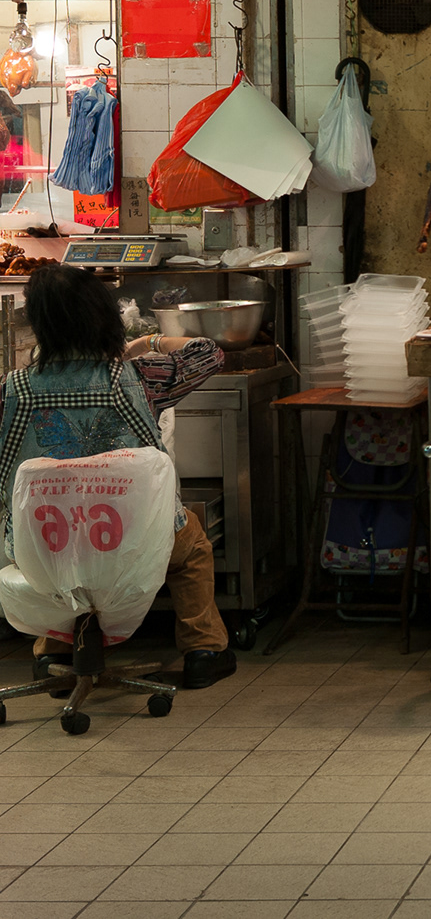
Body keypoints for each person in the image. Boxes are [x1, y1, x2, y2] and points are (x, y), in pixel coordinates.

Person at [0, 264, 236, 689]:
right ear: (103, 317)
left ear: (38, 325)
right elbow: (211, 352)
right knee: (192, 545)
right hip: (129, 541)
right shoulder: (139, 378)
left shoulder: (10, 390)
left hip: (46, 544)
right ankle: (204, 650)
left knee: (57, 555)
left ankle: (53, 655)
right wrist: (147, 342)